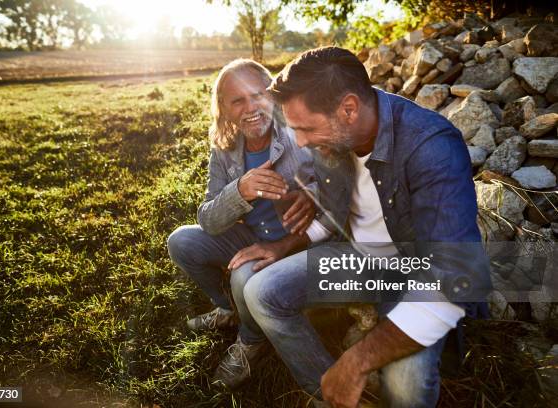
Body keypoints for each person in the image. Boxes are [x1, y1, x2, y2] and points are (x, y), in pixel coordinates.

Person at [237, 46, 491, 407]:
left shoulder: (431, 147)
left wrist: (356, 362)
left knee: (405, 384)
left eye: (306, 128)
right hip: (356, 257)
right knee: (262, 291)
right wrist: (291, 232)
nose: (301, 142)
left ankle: (349, 378)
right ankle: (331, 394)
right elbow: (330, 195)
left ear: (349, 109)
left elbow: (452, 279)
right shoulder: (333, 135)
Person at [167, 59, 316, 389]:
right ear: (224, 107)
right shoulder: (224, 148)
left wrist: (312, 194)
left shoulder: (298, 131)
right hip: (250, 234)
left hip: (295, 245)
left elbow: (341, 184)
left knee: (243, 275)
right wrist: (239, 190)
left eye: (258, 95)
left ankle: (250, 342)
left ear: (272, 95)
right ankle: (228, 310)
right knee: (181, 241)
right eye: (238, 100)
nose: (251, 108)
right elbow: (207, 218)